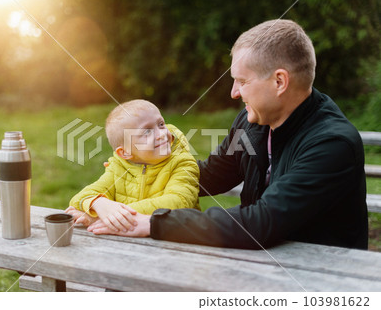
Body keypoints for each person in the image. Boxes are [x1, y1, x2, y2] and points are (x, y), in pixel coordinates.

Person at [87, 19, 368, 250]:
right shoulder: (252, 122)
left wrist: (153, 223)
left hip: (319, 275)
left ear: (279, 81)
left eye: (242, 81)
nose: (234, 92)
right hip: (258, 262)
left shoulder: (332, 144)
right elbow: (209, 175)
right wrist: (141, 173)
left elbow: (261, 223)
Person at [65, 99, 200, 232]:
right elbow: (79, 198)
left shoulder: (183, 163)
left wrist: (112, 216)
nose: (161, 134)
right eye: (147, 131)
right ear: (125, 152)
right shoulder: (118, 167)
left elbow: (178, 202)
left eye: (161, 124)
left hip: (178, 240)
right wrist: (100, 205)